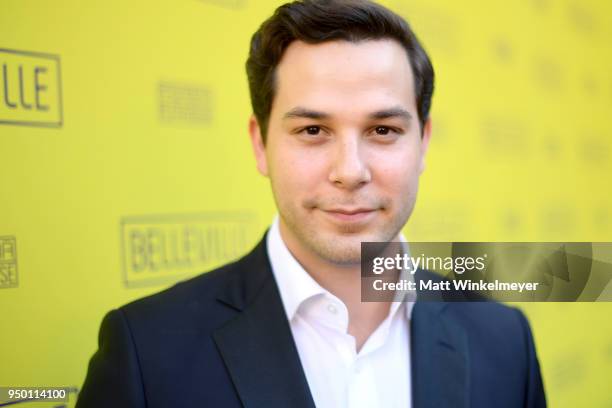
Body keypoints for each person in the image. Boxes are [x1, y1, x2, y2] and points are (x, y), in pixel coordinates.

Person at [76, 1, 546, 407]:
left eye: (383, 130)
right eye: (312, 131)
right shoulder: (146, 351)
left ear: (422, 143)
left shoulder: (504, 339)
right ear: (260, 144)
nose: (350, 170)